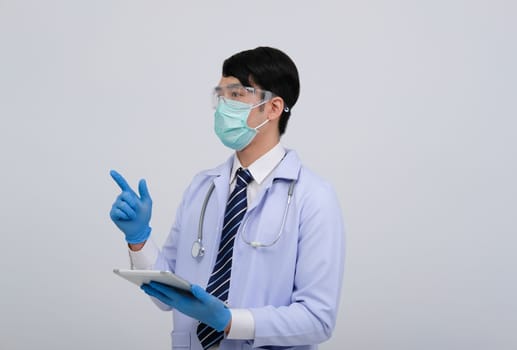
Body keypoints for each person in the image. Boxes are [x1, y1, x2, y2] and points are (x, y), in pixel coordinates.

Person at [109, 46, 346, 350]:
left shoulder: (314, 197)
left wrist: (230, 321)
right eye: (220, 95)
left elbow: (318, 319)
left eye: (236, 95)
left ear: (273, 108)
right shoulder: (202, 187)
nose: (223, 106)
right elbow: (168, 295)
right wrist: (138, 238)